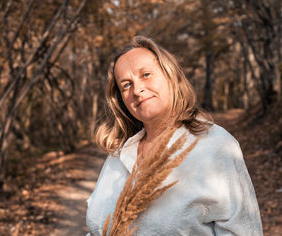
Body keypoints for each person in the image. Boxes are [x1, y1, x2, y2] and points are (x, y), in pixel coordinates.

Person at [86, 36, 263, 235]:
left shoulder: (215, 145)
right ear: (121, 100)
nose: (137, 89)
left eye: (146, 74)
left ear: (171, 76)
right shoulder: (119, 154)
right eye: (126, 85)